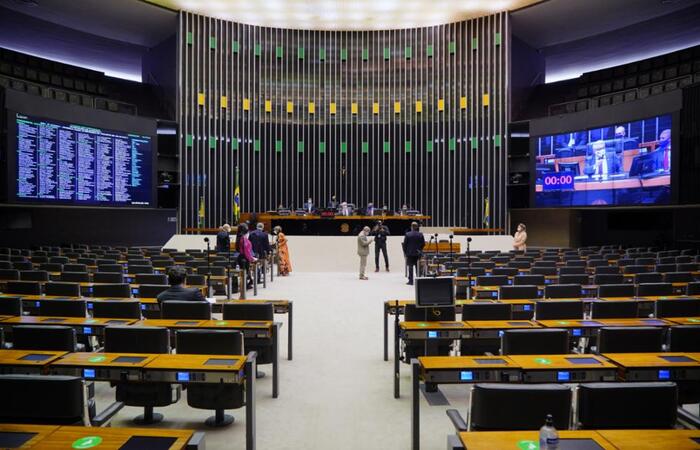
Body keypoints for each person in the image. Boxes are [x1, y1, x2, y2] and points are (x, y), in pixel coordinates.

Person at [235, 223, 257, 289]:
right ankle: (245, 286)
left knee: (244, 273)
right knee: (245, 273)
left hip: (240, 257)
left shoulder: (238, 237)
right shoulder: (243, 239)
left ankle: (245, 285)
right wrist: (252, 258)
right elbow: (246, 251)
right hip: (244, 258)